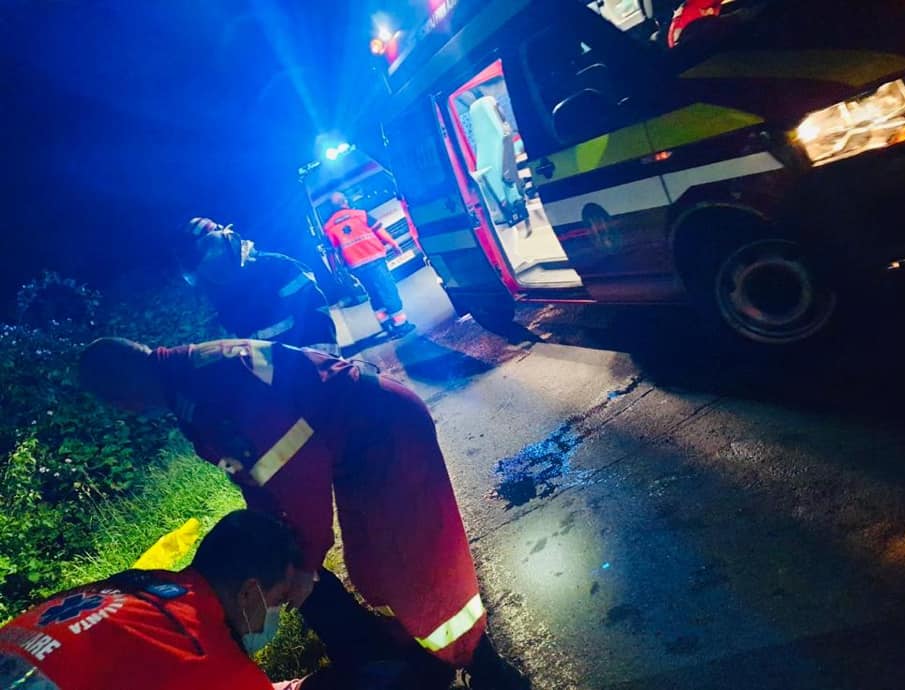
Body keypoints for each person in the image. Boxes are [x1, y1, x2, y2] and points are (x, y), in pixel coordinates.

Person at [78, 337, 529, 690]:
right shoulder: (189, 384)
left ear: (123, 395)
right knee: (373, 568)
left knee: (421, 575)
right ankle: (415, 656)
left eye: (117, 405)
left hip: (384, 435)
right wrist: (277, 544)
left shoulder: (209, 391)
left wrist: (302, 565)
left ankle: (487, 669)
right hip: (355, 445)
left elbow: (298, 475)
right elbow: (258, 475)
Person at [0, 510, 319, 690]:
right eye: (279, 600)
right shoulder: (210, 659)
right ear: (248, 593)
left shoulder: (143, 584)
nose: (278, 612)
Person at [177, 217, 341, 355]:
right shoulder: (223, 296)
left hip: (312, 368)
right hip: (275, 377)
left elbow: (316, 315)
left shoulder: (279, 268)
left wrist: (323, 365)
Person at [322, 193, 416, 338]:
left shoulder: (328, 227)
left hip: (355, 265)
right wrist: (393, 244)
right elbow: (380, 231)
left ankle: (386, 324)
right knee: (387, 289)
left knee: (373, 293)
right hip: (374, 258)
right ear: (345, 201)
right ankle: (401, 325)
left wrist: (335, 271)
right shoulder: (360, 214)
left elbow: (331, 252)